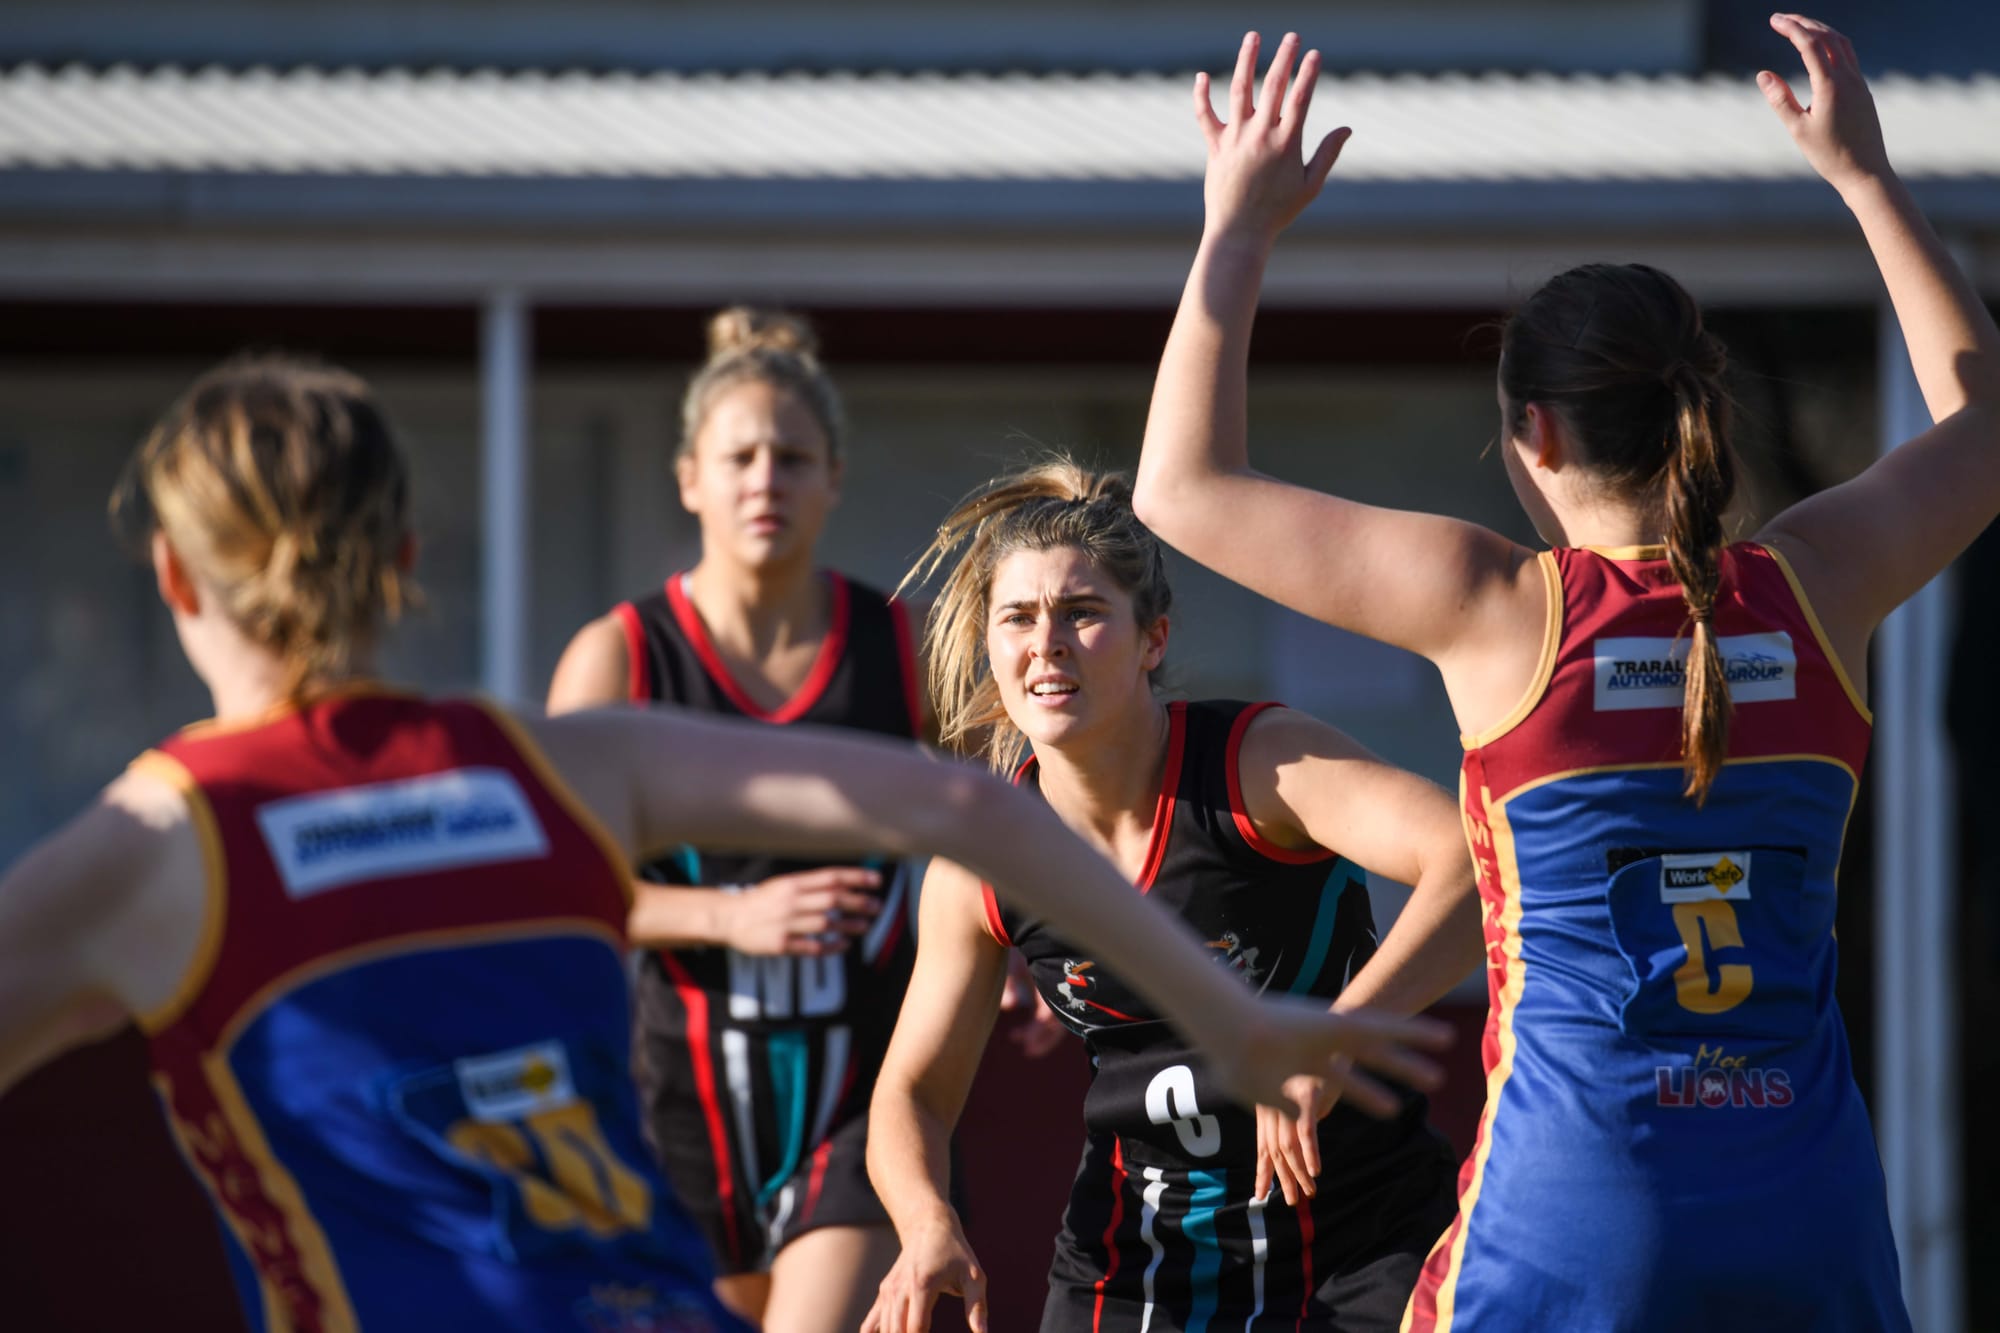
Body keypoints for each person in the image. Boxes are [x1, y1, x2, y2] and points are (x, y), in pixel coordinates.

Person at [0, 356, 1453, 1333]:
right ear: (405, 561)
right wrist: (1243, 1023)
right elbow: (964, 807)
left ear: (175, 573)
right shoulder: (562, 764)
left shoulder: (160, 844)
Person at [1132, 15, 1995, 1329]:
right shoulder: (1819, 585)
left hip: (1581, 1205)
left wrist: (1238, 227)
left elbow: (1181, 489)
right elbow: (1983, 427)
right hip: (1809, 1205)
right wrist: (1866, 179)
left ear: (1532, 431)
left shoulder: (1501, 610)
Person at [861, 459, 1481, 1333]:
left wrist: (1329, 1047)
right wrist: (927, 1220)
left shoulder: (1258, 764)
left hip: (1360, 1231)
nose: (1047, 643)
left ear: (1153, 637)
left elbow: (1472, 859)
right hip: (1140, 1261)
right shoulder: (984, 861)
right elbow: (913, 1093)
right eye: (1019, 618)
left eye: (1082, 613)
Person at [547, 307, 931, 1329]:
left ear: (834, 478)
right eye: (741, 456)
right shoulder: (620, 656)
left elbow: (998, 819)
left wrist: (1017, 946)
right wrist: (728, 916)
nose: (767, 479)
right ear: (689, 479)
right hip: (677, 1103)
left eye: (794, 458)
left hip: (861, 1097)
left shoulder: (900, 646)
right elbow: (554, 887)